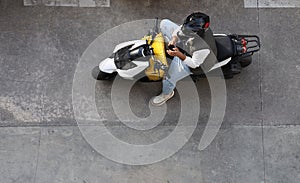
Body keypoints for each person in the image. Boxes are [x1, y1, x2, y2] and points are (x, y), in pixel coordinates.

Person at [150, 12, 217, 106]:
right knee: (164, 23)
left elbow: (194, 63)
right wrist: (173, 39)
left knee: (168, 77)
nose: (184, 30)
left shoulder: (202, 48)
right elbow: (179, 30)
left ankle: (167, 94)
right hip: (186, 46)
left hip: (192, 61)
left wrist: (178, 54)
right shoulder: (192, 27)